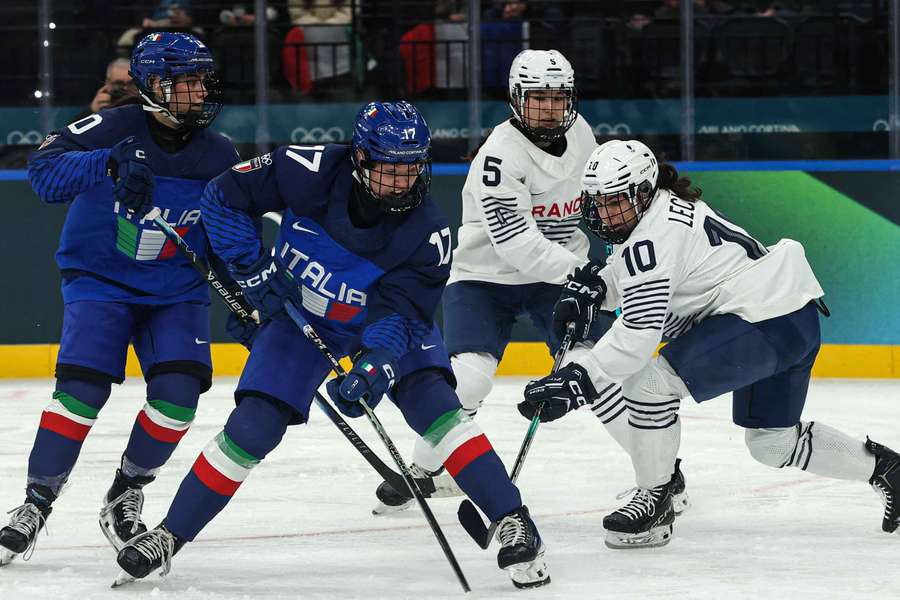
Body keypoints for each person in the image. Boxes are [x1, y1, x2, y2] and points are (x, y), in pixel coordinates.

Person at [112, 101, 551, 590]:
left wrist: (375, 365)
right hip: (299, 316)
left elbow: (402, 317)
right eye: (390, 170)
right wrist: (251, 272)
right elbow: (222, 197)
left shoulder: (427, 233)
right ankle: (170, 535)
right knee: (253, 426)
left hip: (378, 323)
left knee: (434, 405)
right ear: (359, 158)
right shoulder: (306, 169)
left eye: (412, 169)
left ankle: (513, 519)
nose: (402, 183)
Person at [519, 139, 900, 549]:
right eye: (598, 201)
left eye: (616, 200)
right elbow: (639, 271)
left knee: (647, 385)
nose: (606, 212)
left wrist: (579, 380)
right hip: (786, 317)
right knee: (772, 444)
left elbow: (638, 334)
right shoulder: (658, 212)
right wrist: (598, 287)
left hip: (764, 321)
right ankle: (887, 469)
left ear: (643, 191)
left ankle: (656, 498)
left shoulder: (655, 236)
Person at [370, 49, 692, 517]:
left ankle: (662, 476)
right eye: (538, 97)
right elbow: (516, 244)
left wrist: (599, 271)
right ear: (516, 98)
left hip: (557, 278)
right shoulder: (498, 159)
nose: (549, 107)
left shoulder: (582, 135)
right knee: (468, 378)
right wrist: (584, 275)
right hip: (485, 278)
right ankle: (429, 468)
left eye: (558, 97)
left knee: (594, 371)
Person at [0, 32, 238, 567]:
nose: (201, 92)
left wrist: (247, 291)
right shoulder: (111, 127)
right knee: (80, 393)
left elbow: (229, 229)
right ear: (155, 85)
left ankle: (125, 491)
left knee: (178, 399)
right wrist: (107, 162)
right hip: (100, 282)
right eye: (188, 82)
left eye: (203, 81)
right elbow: (43, 176)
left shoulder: (219, 152)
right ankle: (36, 501)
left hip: (177, 291)